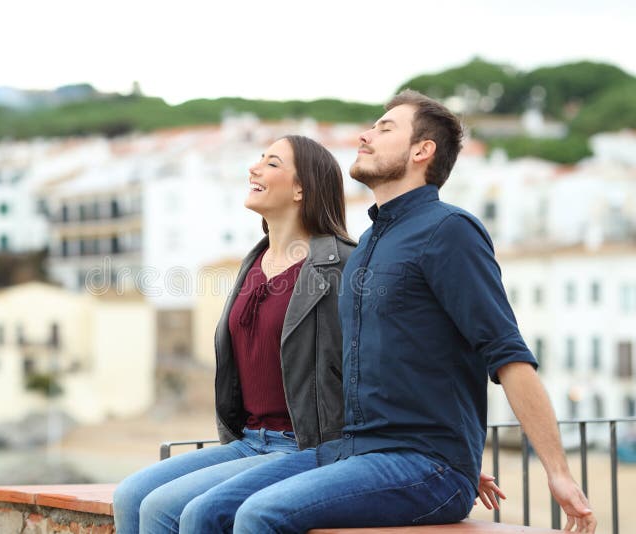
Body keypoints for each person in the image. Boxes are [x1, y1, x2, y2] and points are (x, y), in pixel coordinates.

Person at [178, 90, 596, 534]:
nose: (365, 134)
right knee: (206, 512)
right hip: (355, 452)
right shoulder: (366, 249)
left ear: (422, 150)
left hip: (425, 463)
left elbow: (507, 354)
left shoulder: (450, 231)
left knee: (261, 515)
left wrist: (557, 472)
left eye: (385, 128)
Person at [112, 134, 356, 534]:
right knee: (130, 495)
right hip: (248, 440)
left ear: (301, 189)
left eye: (272, 163)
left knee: (188, 512)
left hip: (306, 445)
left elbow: (379, 360)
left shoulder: (342, 264)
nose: (254, 168)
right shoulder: (254, 262)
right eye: (259, 158)